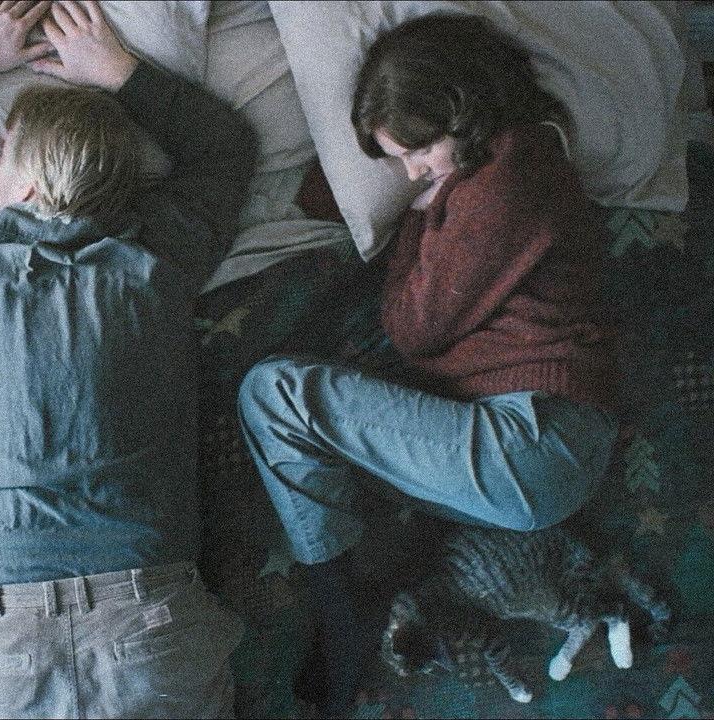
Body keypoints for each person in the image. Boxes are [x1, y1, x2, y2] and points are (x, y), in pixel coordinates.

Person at [0, 1, 258, 717]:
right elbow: (225, 146)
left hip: (3, 639)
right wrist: (123, 75)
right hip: (151, 623)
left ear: (26, 184)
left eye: (0, 158)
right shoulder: (153, 262)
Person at [236, 12, 621, 715]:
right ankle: (367, 589)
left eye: (418, 152)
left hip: (536, 440)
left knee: (274, 395)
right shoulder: (499, 176)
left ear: (461, 113)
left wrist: (414, 217)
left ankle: (342, 609)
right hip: (525, 444)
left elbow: (415, 327)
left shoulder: (507, 175)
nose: (413, 173)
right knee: (318, 449)